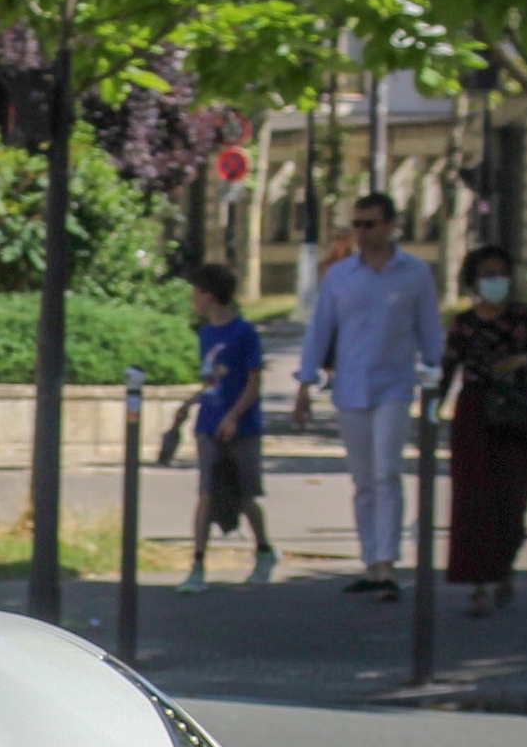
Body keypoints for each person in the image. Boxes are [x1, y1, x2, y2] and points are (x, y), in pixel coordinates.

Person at [292, 192, 442, 602]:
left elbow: (430, 330)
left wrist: (438, 379)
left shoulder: (415, 273)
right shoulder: (340, 276)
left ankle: (387, 564)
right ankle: (370, 561)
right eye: (357, 224)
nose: (362, 232)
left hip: (395, 385)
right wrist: (304, 385)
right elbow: (320, 330)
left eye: (370, 224)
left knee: (386, 471)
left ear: (391, 226)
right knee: (362, 480)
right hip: (351, 387)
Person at [440, 244, 527, 617]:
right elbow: (448, 368)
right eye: (487, 274)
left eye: (501, 273)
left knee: (512, 499)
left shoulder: (521, 318)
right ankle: (480, 584)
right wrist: (433, 410)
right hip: (476, 413)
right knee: (474, 500)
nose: (495, 280)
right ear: (474, 280)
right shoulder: (464, 324)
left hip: (516, 413)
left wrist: (520, 363)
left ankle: (504, 568)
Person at [179, 263, 276, 593]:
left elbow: (253, 382)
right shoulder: (206, 333)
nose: (192, 299)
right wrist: (188, 405)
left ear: (208, 295)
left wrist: (234, 416)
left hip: (242, 427)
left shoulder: (243, 333)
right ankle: (197, 564)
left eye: (195, 293)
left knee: (244, 495)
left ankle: (264, 551)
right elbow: (211, 380)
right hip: (208, 423)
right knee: (206, 493)